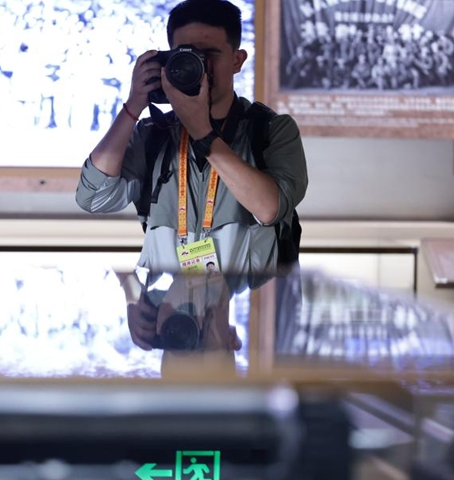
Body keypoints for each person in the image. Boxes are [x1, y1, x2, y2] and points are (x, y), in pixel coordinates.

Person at [75, 0, 308, 356]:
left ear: (237, 60)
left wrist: (202, 132)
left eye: (210, 54)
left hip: (249, 308)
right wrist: (133, 106)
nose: (200, 66)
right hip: (172, 304)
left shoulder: (271, 131)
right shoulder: (154, 134)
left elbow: (268, 208)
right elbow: (94, 197)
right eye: (186, 55)